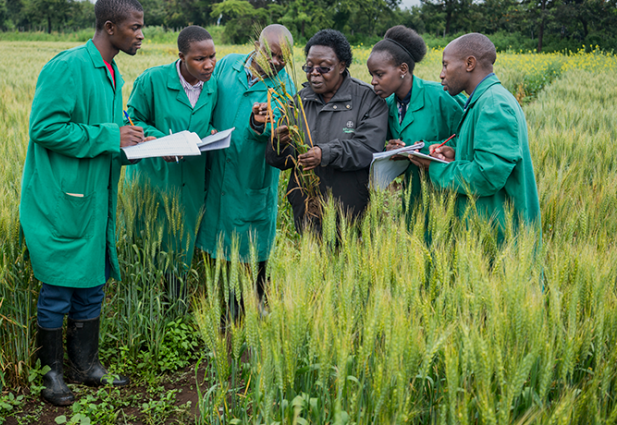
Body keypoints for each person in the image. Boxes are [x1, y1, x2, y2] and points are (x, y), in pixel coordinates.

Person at [19, 0, 145, 406]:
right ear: (110, 28)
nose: (141, 35)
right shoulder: (70, 66)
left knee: (92, 284)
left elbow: (113, 131)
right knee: (59, 289)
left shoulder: (111, 72)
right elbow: (46, 128)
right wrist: (112, 136)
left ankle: (86, 365)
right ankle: (51, 375)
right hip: (64, 200)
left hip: (95, 198)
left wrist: (157, 144)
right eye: (135, 27)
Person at [196, 24, 294, 301]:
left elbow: (277, 129)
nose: (275, 63)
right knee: (215, 251)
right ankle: (221, 310)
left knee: (251, 257)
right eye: (270, 54)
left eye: (282, 58)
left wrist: (258, 123)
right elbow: (207, 98)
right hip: (216, 172)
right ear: (256, 45)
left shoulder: (285, 89)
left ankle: (253, 313)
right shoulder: (228, 65)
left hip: (250, 180)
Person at [409, 33, 540, 233]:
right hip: (488, 227)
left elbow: (487, 176)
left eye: (446, 65)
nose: (441, 74)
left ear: (469, 63)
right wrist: (455, 152)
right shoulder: (484, 100)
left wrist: (435, 168)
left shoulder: (493, 105)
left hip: (499, 231)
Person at [267, 29, 388, 233]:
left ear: (342, 66)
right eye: (309, 66)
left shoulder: (367, 100)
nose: (314, 73)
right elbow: (280, 161)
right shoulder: (297, 101)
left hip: (351, 213)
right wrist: (278, 143)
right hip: (306, 211)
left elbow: (368, 149)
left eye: (324, 68)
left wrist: (325, 154)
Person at [125, 26, 217, 283]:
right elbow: (133, 119)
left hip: (191, 181)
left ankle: (175, 307)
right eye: (199, 59)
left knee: (181, 245)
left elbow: (208, 121)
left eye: (212, 57)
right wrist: (163, 140)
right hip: (156, 177)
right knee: (149, 243)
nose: (208, 65)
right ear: (181, 57)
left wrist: (211, 131)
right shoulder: (152, 80)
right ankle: (147, 300)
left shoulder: (213, 87)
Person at [367, 25, 465, 205]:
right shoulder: (384, 106)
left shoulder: (442, 96)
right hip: (412, 200)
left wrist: (426, 148)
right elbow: (377, 146)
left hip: (448, 195)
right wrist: (389, 149)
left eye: (380, 74)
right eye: (371, 75)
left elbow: (470, 139)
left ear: (403, 69)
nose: (373, 81)